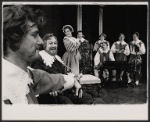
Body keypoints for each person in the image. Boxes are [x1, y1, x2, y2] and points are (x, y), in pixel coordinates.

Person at [2, 5, 74, 104]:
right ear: (14, 38)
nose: (40, 42)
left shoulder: (28, 75)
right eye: (34, 35)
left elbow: (49, 79)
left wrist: (74, 80)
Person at [32, 33, 94, 104]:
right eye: (50, 43)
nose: (53, 45)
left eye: (55, 43)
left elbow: (65, 75)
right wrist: (50, 87)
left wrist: (75, 82)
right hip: (49, 94)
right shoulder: (40, 59)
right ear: (44, 45)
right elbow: (38, 79)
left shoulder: (57, 59)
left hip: (63, 90)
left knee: (87, 99)